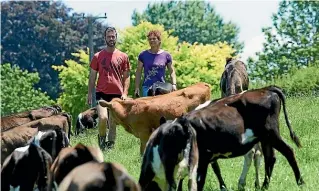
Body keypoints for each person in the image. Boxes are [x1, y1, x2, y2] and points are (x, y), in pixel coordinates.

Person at [87, 26, 130, 150]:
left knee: (112, 122)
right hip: (101, 93)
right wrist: (90, 93)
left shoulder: (123, 56)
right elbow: (92, 77)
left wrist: (125, 93)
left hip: (117, 94)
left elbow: (127, 76)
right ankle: (101, 142)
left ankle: (110, 146)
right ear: (104, 38)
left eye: (113, 36)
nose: (111, 39)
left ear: (116, 38)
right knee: (103, 118)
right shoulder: (97, 56)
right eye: (108, 37)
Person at [134, 30, 177, 97]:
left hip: (161, 88)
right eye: (150, 39)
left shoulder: (166, 55)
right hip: (147, 87)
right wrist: (136, 87)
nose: (152, 40)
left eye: (154, 39)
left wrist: (174, 84)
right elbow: (138, 72)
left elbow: (171, 71)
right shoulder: (143, 55)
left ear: (159, 40)